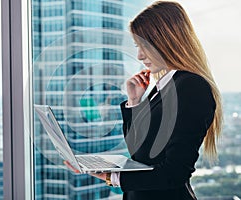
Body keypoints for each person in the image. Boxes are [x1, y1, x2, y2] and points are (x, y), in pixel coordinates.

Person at [65, 1, 223, 199]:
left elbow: (174, 173)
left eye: (144, 46)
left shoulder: (191, 87)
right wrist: (134, 101)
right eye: (137, 46)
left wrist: (111, 177)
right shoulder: (165, 86)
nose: (139, 56)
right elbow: (138, 151)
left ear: (167, 41)